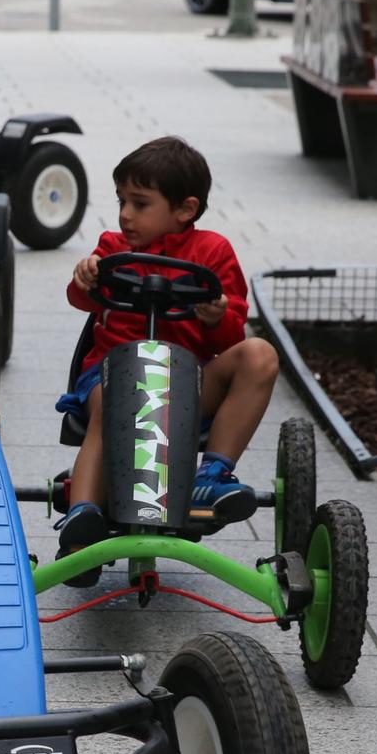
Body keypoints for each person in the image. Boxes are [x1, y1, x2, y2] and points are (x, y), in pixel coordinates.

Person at [52, 137, 281, 586]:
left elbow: (231, 330)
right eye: (121, 201)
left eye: (140, 203)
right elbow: (81, 297)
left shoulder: (212, 252)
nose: (125, 214)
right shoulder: (113, 246)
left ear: (185, 209)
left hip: (189, 381)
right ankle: (83, 520)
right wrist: (85, 276)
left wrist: (216, 315)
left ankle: (212, 475)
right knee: (115, 401)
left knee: (259, 353)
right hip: (111, 372)